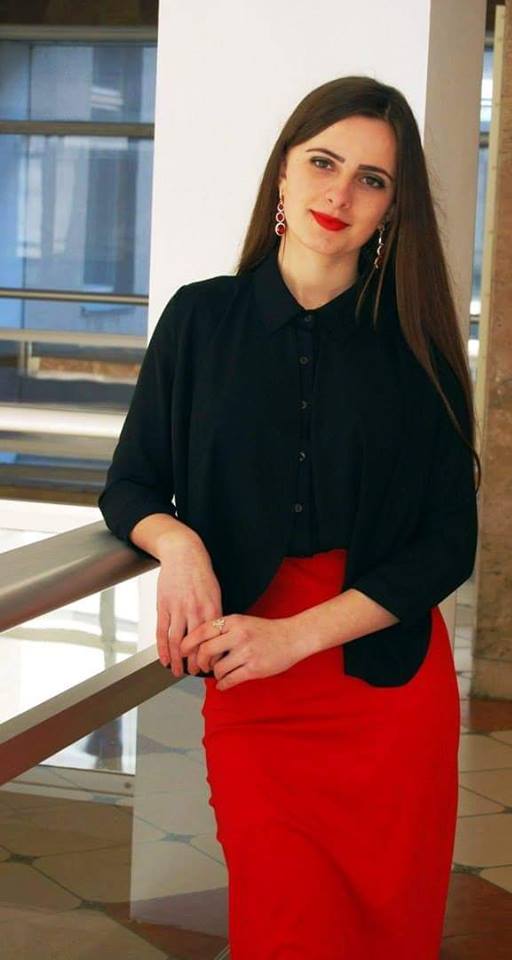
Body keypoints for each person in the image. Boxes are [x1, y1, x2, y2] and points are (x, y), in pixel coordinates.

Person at [98, 74, 480, 960]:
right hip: (253, 683)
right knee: (283, 922)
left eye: (371, 179)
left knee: (387, 931)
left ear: (392, 207)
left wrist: (297, 637)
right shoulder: (201, 319)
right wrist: (179, 545)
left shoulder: (416, 342)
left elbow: (447, 545)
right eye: (322, 162)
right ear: (283, 171)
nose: (339, 194)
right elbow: (131, 484)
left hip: (381, 684)